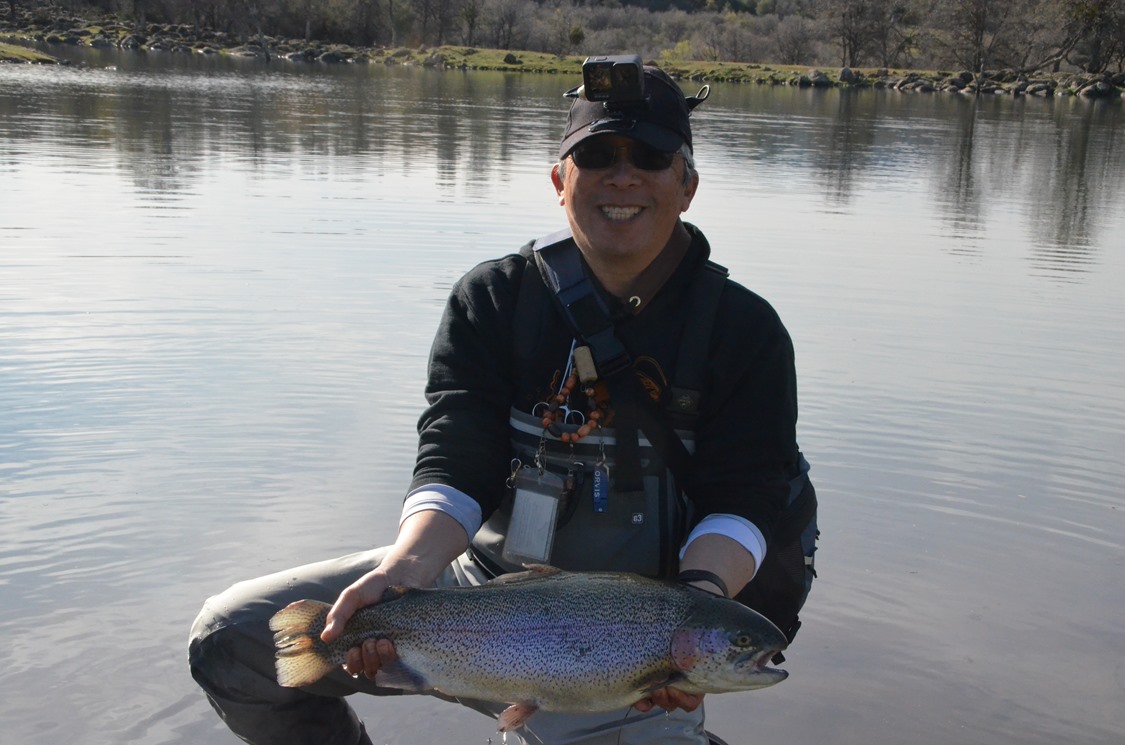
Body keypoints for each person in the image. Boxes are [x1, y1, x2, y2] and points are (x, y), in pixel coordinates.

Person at [189, 60, 815, 745]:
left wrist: (698, 605)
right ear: (559, 180)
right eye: (597, 154)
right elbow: (457, 452)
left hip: (623, 642)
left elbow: (745, 494)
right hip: (471, 591)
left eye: (651, 157)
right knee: (233, 637)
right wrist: (404, 573)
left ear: (687, 184)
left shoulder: (743, 330)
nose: (623, 175)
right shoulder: (491, 298)